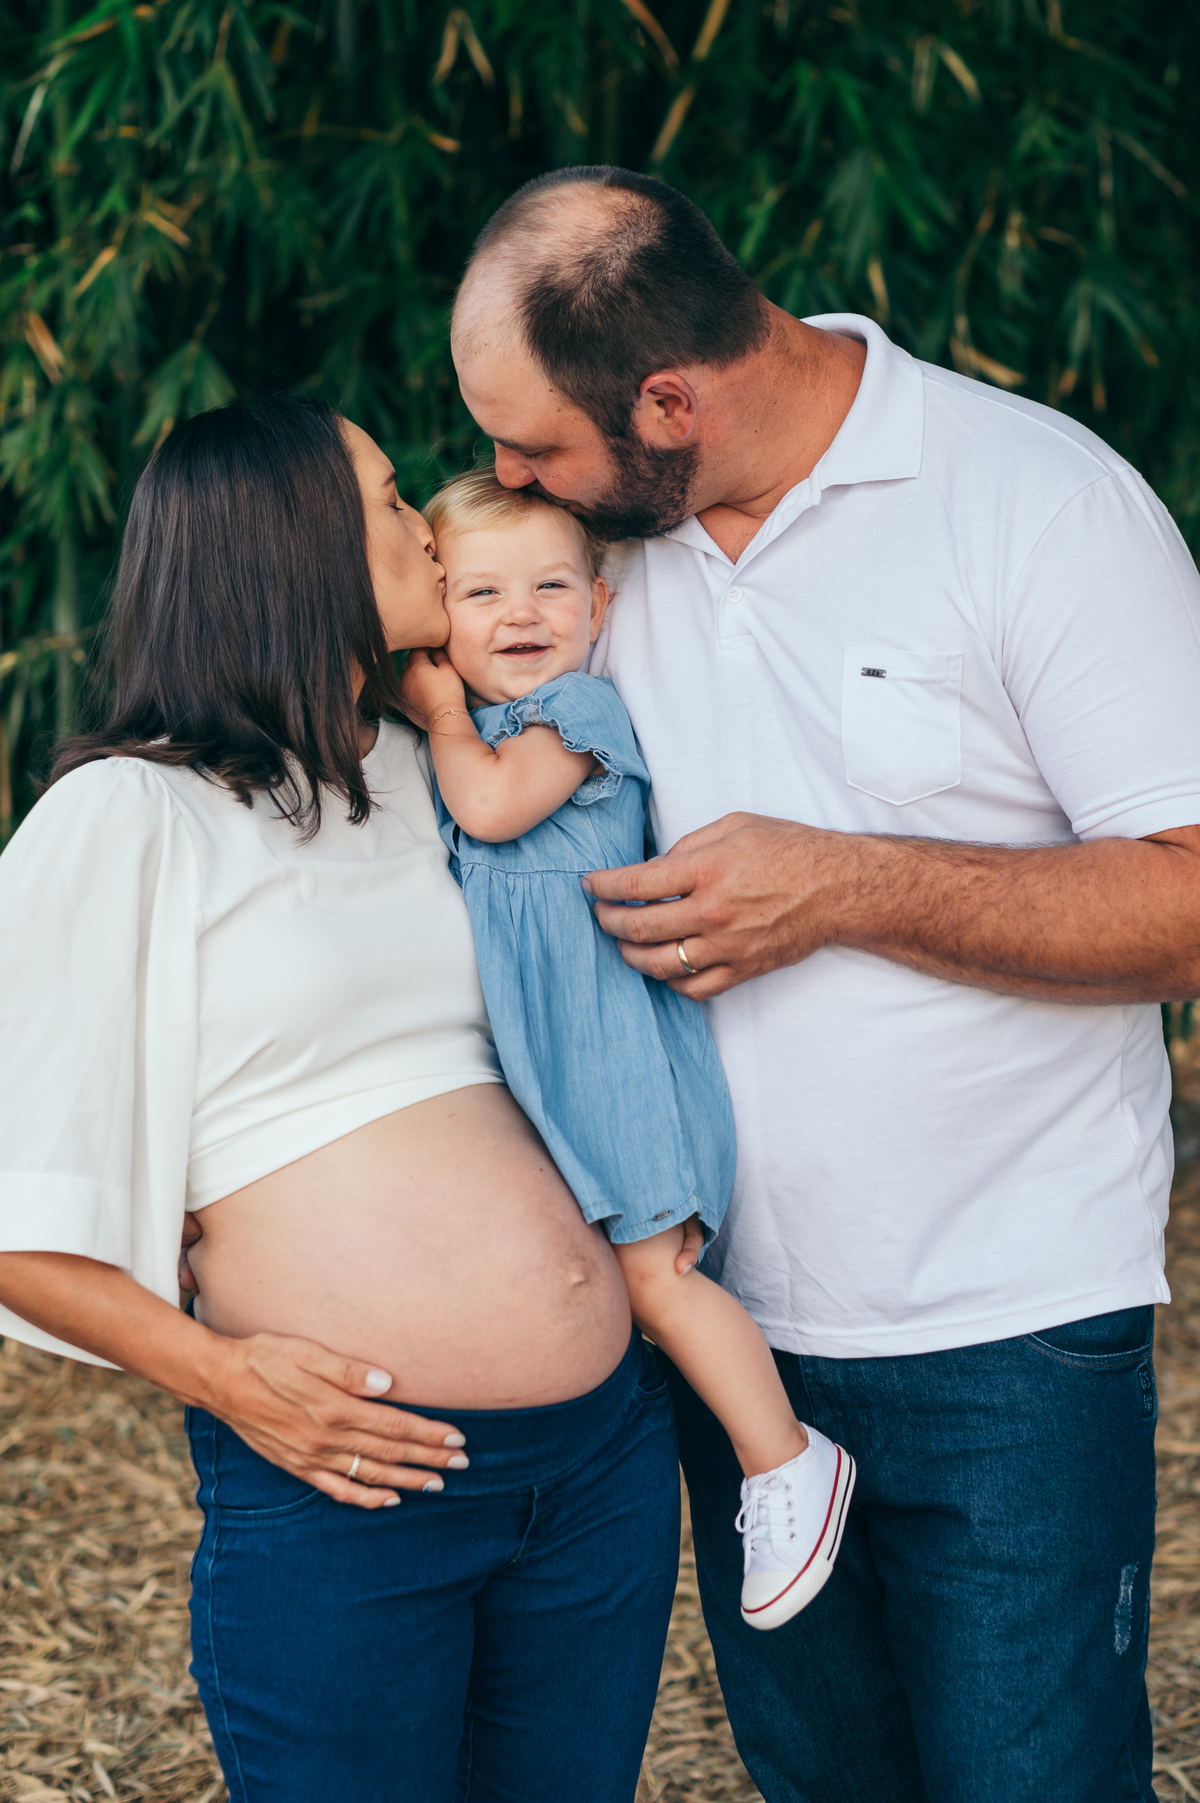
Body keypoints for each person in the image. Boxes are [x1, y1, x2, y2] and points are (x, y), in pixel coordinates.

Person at [448, 163, 1200, 1803]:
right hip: (726, 1334)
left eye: (530, 444)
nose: (503, 479)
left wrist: (848, 879)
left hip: (1007, 1322)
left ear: (666, 399)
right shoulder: (579, 562)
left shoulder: (1036, 502)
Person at [0, 396, 680, 1803]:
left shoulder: (432, 770)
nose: (431, 529)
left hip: (599, 1463)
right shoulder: (130, 812)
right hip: (354, 1487)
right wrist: (228, 1378)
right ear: (288, 546)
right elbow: (15, 1211)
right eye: (388, 501)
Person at [401, 467, 856, 1629]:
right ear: (432, 609)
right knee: (616, 1281)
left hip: (613, 1050)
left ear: (600, 608)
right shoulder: (460, 740)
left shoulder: (576, 715)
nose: (521, 615)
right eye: (482, 590)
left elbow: (498, 811)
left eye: (553, 585)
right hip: (554, 1062)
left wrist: (443, 712)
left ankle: (785, 1460)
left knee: (658, 1277)